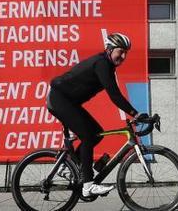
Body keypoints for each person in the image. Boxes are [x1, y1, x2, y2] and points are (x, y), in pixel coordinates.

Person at [47, 32, 141, 197]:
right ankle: (88, 186)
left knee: (96, 135)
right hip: (59, 99)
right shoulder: (102, 64)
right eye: (121, 51)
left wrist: (134, 113)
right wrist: (135, 113)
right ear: (110, 49)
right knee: (88, 136)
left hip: (67, 101)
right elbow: (115, 95)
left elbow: (114, 94)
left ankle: (68, 166)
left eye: (126, 52)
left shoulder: (107, 66)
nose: (124, 56)